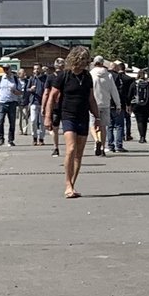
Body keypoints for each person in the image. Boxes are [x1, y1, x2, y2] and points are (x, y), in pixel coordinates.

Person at [48, 45, 96, 196]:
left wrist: (97, 117)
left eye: (86, 60)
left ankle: (72, 185)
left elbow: (91, 98)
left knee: (79, 154)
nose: (84, 62)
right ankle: (68, 184)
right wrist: (48, 117)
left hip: (83, 115)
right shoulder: (64, 76)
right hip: (68, 115)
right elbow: (51, 97)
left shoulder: (87, 77)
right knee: (71, 148)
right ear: (74, 59)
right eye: (82, 59)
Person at [93, 57, 126, 155]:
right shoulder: (108, 75)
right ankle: (103, 148)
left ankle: (96, 140)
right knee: (104, 126)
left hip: (93, 104)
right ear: (103, 63)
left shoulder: (90, 74)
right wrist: (118, 104)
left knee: (93, 125)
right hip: (106, 103)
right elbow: (114, 91)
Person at [0, 66, 23, 145]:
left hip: (12, 103)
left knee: (12, 122)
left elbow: (20, 92)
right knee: (0, 121)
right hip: (2, 103)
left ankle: (11, 140)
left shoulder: (15, 79)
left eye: (7, 69)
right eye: (4, 69)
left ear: (10, 69)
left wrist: (15, 91)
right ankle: (1, 139)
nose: (5, 70)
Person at [128, 67, 149, 142]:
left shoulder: (134, 84)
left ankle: (142, 137)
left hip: (136, 105)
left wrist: (128, 105)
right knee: (145, 121)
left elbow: (129, 95)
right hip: (147, 105)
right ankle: (143, 136)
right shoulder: (148, 84)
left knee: (139, 121)